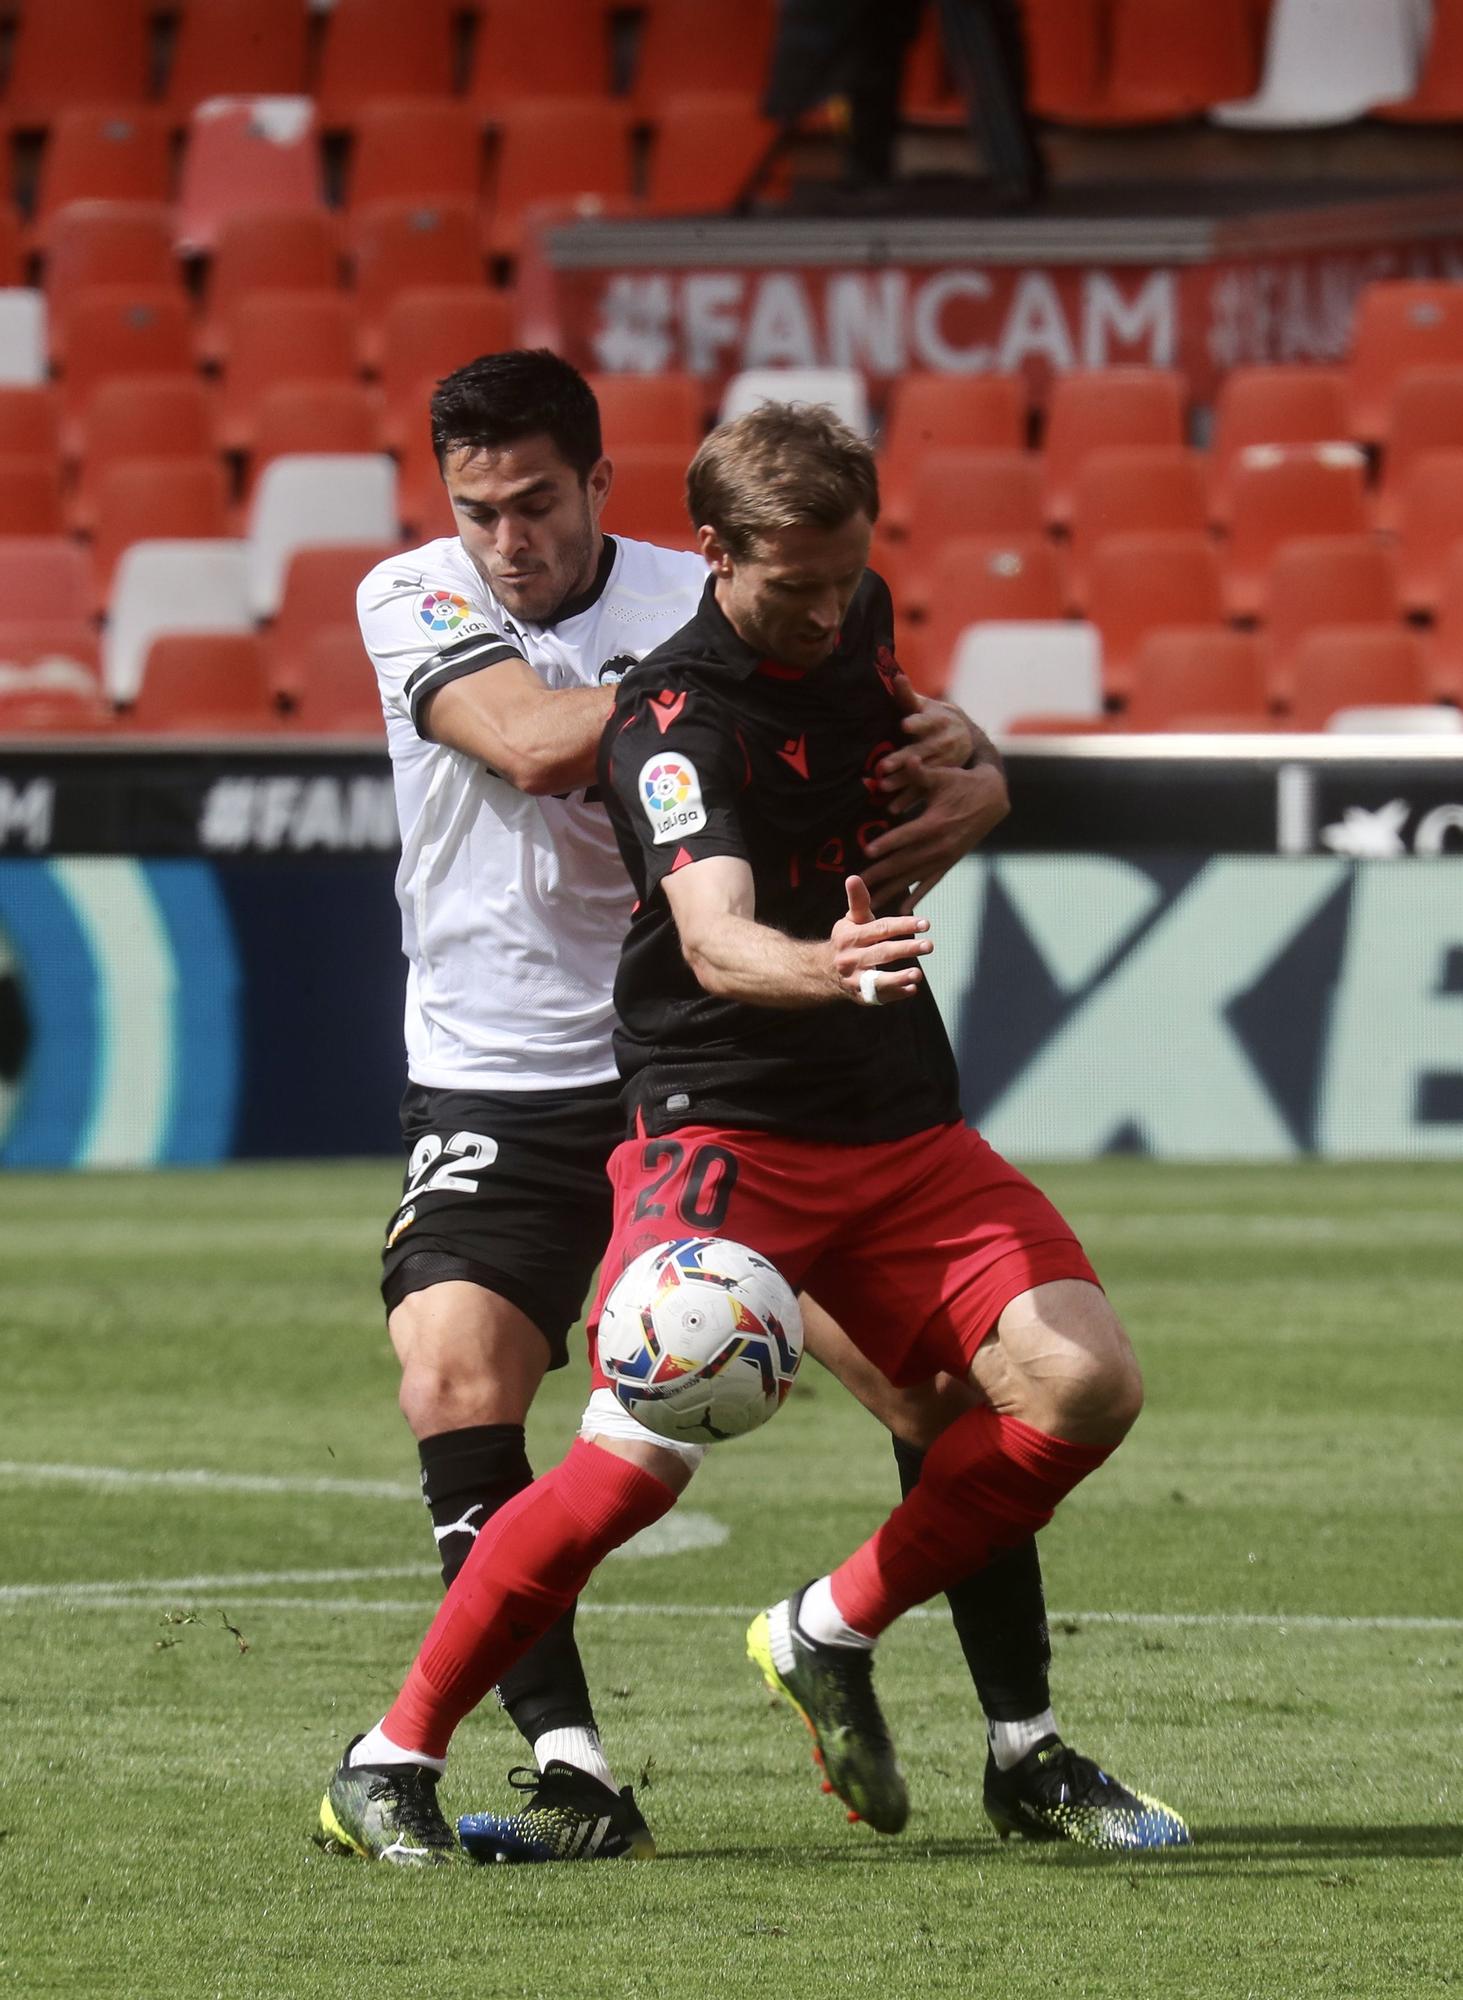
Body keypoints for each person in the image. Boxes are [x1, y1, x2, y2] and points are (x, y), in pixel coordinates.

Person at [321, 392, 1190, 1863]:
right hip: (720, 1124)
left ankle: (852, 1645)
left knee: (1073, 1387)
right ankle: (395, 1751)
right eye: (798, 587)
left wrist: (975, 781)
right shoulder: (669, 717)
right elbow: (716, 939)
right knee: (630, 1450)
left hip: (902, 1123)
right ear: (722, 558)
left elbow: (923, 742)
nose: (830, 610)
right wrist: (827, 965)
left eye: (850, 579)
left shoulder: (836, 612)